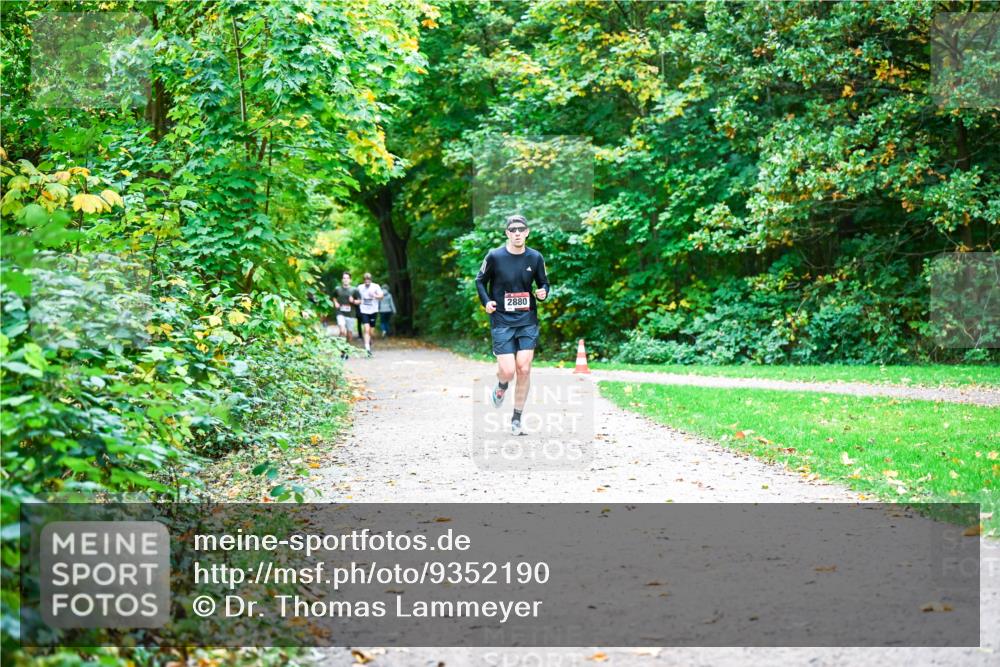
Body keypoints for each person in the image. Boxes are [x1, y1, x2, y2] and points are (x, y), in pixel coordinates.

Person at [474, 214, 550, 435]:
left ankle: (516, 418)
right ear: (507, 233)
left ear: (527, 232)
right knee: (507, 371)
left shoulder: (535, 257)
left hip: (527, 319)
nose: (517, 233)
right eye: (513, 230)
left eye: (521, 229)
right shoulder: (495, 256)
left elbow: (544, 282)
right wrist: (487, 302)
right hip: (502, 320)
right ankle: (501, 386)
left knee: (524, 368)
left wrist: (543, 293)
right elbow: (480, 280)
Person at [333, 272, 361, 360]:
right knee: (342, 331)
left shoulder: (354, 290)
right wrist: (336, 303)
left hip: (351, 314)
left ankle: (346, 350)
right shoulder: (337, 289)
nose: (345, 280)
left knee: (349, 334)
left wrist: (353, 301)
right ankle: (341, 350)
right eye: (344, 278)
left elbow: (359, 301)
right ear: (342, 280)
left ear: (350, 280)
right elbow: (333, 297)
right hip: (340, 312)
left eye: (347, 278)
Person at [357, 272, 384, 358]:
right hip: (364, 311)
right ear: (364, 280)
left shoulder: (376, 286)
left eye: (368, 280)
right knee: (366, 329)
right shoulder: (360, 287)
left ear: (371, 280)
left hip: (373, 311)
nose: (367, 282)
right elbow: (356, 296)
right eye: (365, 280)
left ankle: (369, 341)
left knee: (371, 332)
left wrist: (375, 295)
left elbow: (381, 296)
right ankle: (367, 349)